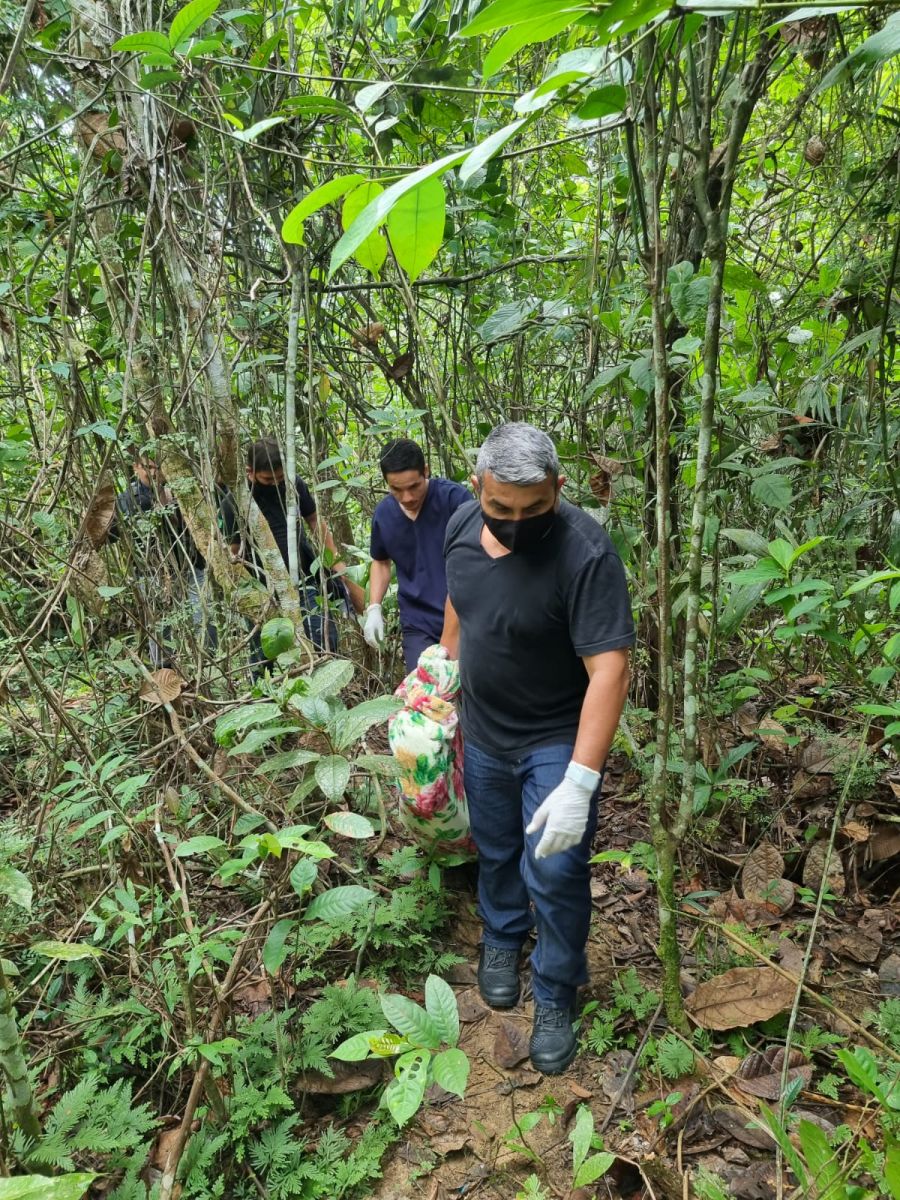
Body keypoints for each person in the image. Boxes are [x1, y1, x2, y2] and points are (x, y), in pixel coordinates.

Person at [441, 423, 634, 1075]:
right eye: (502, 509)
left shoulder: (585, 552)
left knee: (554, 869)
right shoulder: (460, 527)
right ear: (478, 490)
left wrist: (580, 782)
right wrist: (442, 668)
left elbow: (610, 669)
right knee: (494, 846)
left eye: (535, 509)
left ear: (558, 489)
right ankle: (501, 936)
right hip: (486, 728)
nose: (517, 522)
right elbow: (461, 601)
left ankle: (554, 990)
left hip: (556, 736)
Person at [229, 437, 365, 662]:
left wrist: (337, 564)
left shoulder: (294, 483)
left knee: (324, 640)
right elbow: (234, 553)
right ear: (249, 472)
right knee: (266, 654)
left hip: (304, 579)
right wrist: (249, 592)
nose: (275, 483)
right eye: (267, 479)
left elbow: (314, 521)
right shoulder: (236, 499)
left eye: (280, 478)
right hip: (262, 588)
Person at [363, 438, 470, 671]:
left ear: (426, 472)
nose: (407, 497)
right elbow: (380, 561)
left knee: (464, 693)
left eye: (414, 486)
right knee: (423, 694)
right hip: (418, 623)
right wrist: (374, 608)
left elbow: (478, 562)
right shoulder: (384, 514)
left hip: (467, 618)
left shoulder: (456, 501)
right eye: (396, 490)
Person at [111, 454, 219, 668]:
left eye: (158, 467)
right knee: (159, 627)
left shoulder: (182, 489)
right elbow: (113, 534)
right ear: (136, 467)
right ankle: (164, 675)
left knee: (203, 615)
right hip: (152, 572)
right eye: (148, 467)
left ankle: (210, 667)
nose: (154, 473)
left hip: (189, 565)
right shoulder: (126, 500)